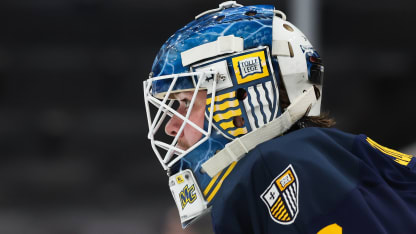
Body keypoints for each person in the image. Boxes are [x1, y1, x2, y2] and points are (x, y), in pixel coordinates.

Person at [143, 2, 416, 233]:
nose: (171, 125)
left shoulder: (268, 168)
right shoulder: (320, 152)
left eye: (187, 102)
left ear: (242, 101)